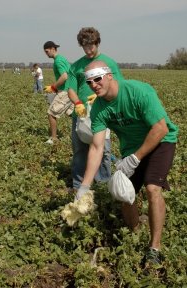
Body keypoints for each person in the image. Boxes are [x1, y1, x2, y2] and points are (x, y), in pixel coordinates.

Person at [76, 60, 178, 268]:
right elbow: (96, 147)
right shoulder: (99, 108)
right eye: (89, 82)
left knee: (152, 188)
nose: (94, 84)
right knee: (124, 194)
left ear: (110, 75)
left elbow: (160, 129)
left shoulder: (138, 92)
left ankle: (154, 249)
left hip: (161, 142)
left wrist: (135, 158)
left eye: (97, 79)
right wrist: (85, 186)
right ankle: (134, 234)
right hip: (132, 149)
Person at [67, 27, 124, 190]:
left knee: (104, 150)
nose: (88, 49)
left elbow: (118, 85)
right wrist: (77, 103)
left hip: (102, 113)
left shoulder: (109, 63)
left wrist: (101, 97)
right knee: (79, 150)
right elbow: (71, 89)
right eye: (84, 46)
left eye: (91, 45)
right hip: (81, 114)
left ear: (97, 43)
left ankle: (103, 183)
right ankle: (78, 185)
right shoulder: (76, 66)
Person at [43, 41, 74, 144]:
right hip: (71, 90)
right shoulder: (62, 59)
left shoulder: (58, 61)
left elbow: (64, 76)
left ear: (52, 48)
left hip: (65, 91)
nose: (46, 54)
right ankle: (86, 129)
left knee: (51, 113)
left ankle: (54, 138)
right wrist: (56, 89)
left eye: (47, 51)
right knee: (73, 113)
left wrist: (53, 87)